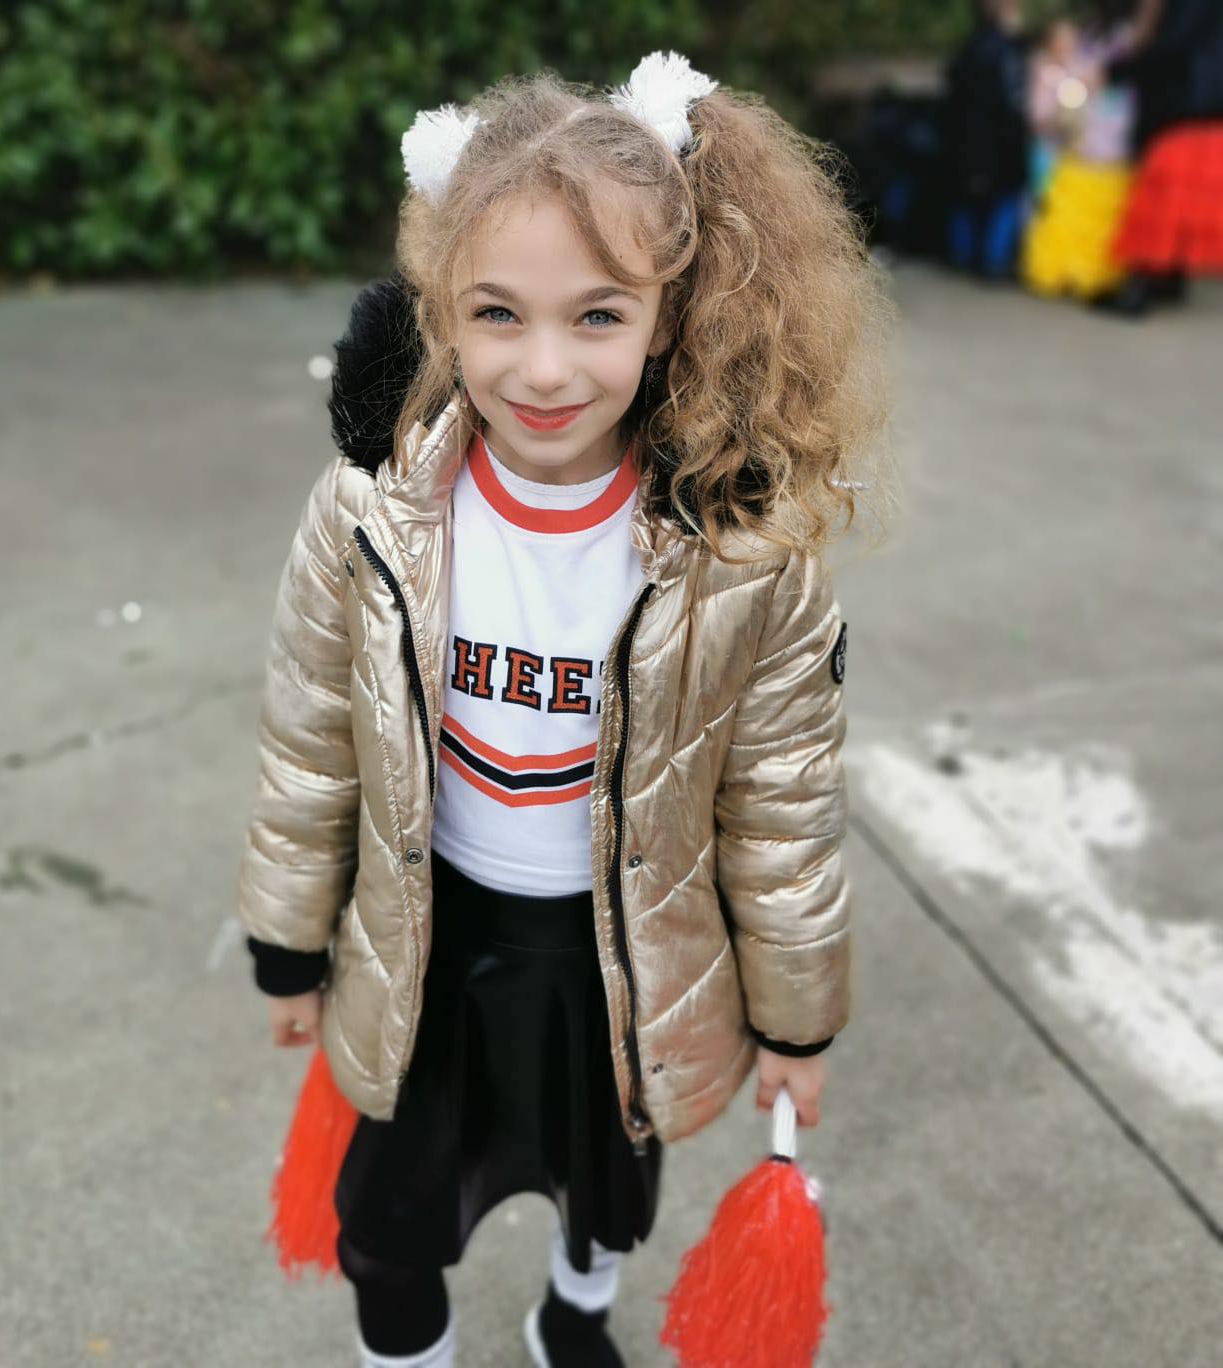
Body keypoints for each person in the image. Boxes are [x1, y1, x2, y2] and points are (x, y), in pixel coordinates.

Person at [234, 50, 892, 1368]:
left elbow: (782, 812)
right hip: (435, 939)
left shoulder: (738, 555)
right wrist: (288, 945)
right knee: (390, 1230)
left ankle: (571, 1315)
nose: (543, 369)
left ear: (672, 315)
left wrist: (795, 1018)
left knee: (606, 1193)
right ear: (441, 311)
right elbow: (310, 743)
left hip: (621, 955)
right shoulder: (371, 513)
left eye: (597, 316)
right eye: (498, 313)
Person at [1095, 0, 1223, 314]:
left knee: (1159, 201)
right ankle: (1168, 280)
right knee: (1183, 203)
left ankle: (1137, 291)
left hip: (1181, 109)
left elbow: (1170, 48)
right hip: (1203, 108)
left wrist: (1115, 71)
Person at [1020, 5, 1139, 300]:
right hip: (1075, 150)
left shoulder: (1111, 48)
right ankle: (1068, 271)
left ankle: (1087, 273)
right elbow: (1046, 111)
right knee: (1062, 208)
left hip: (1100, 151)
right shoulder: (1064, 63)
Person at [941, 0, 1033, 280]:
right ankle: (993, 260)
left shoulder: (969, 46)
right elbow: (1010, 101)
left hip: (968, 139)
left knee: (966, 199)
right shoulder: (1007, 50)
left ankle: (964, 257)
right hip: (997, 142)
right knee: (1004, 198)